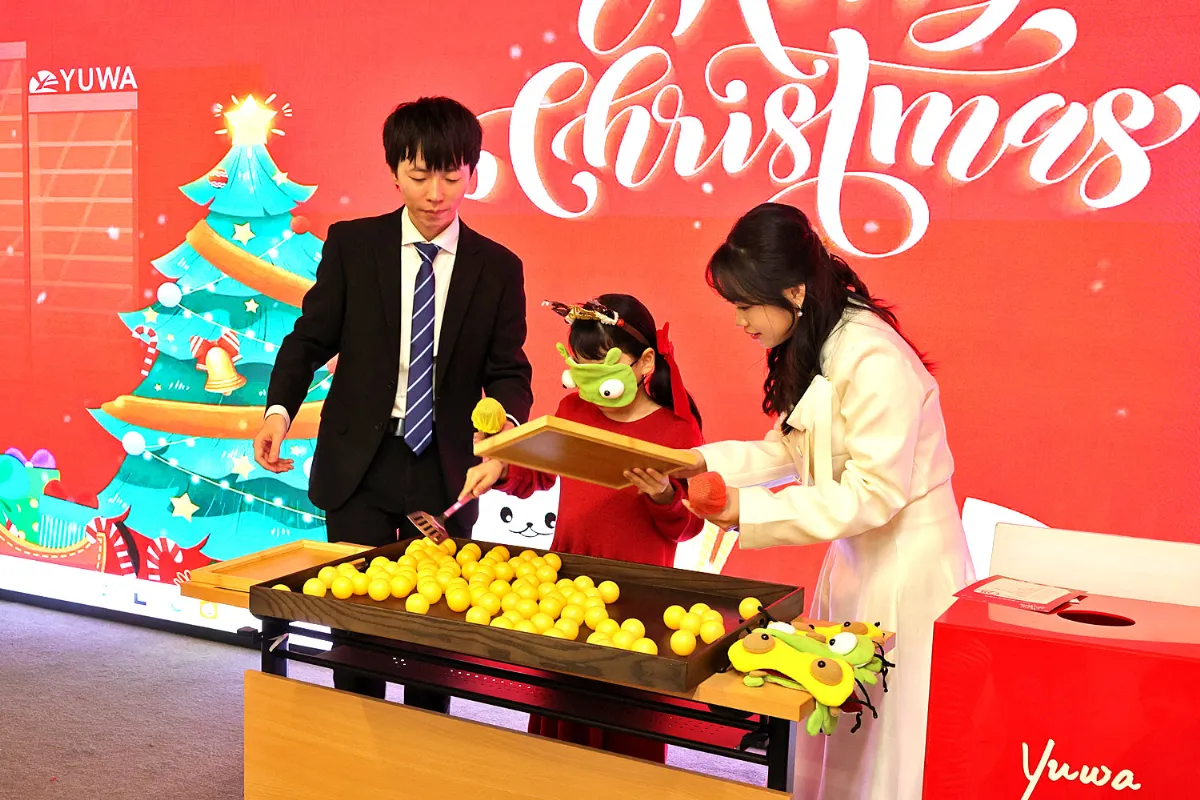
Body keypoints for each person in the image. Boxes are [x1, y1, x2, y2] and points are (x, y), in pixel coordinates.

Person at [680, 203, 974, 800]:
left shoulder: (872, 355)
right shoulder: (819, 338)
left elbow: (875, 493)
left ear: (793, 291)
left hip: (908, 570)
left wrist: (746, 511)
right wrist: (696, 463)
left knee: (892, 746)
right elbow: (787, 450)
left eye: (745, 304)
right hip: (856, 561)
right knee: (841, 731)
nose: (739, 320)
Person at [252, 96, 534, 713]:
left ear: (472, 172)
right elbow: (309, 339)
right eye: (419, 174)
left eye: (451, 176)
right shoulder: (353, 246)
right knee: (355, 627)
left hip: (447, 468)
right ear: (394, 171)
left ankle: (423, 747)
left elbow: (509, 372)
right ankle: (361, 747)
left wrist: (502, 439)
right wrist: (278, 412)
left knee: (435, 631)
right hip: (361, 463)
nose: (435, 193)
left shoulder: (497, 267)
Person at [459, 293, 705, 763]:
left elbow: (689, 526)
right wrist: (501, 466)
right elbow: (537, 474)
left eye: (602, 367)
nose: (589, 384)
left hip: (639, 599)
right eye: (580, 367)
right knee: (561, 721)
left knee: (626, 729)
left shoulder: (678, 432)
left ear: (644, 362)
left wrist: (663, 497)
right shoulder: (573, 410)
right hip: (567, 589)